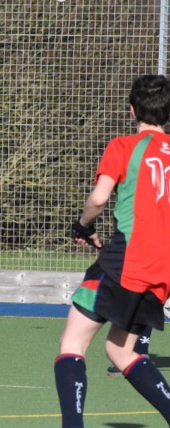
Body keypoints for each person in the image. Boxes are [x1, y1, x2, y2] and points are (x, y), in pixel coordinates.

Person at [55, 74, 170, 427]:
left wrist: (83, 226)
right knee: (121, 350)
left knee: (73, 344)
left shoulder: (123, 146)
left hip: (126, 259)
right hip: (162, 269)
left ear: (132, 109)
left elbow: (99, 198)